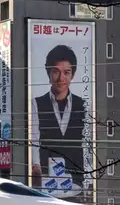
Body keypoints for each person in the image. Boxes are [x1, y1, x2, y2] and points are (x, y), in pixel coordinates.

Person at [30, 44, 87, 189]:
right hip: (45, 183)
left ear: (72, 75)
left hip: (76, 183)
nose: (61, 78)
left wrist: (89, 180)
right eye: (56, 72)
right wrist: (35, 167)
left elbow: (89, 143)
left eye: (66, 72)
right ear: (48, 72)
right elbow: (33, 139)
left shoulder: (84, 105)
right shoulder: (36, 104)